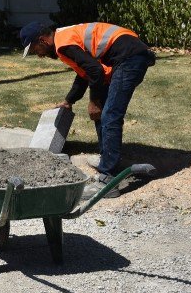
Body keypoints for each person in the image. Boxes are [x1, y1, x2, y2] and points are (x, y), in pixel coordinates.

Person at [20, 20, 156, 199]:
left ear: (43, 40)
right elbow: (84, 74)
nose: (39, 55)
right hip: (127, 55)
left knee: (109, 115)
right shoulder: (65, 37)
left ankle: (107, 180)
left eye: (35, 50)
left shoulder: (63, 44)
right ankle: (107, 160)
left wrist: (94, 102)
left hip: (129, 58)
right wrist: (69, 101)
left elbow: (96, 71)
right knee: (103, 115)